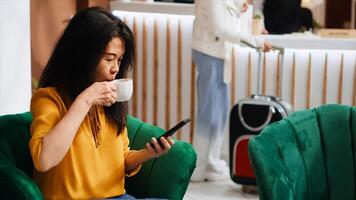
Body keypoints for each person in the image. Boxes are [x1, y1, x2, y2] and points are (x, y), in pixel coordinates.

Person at [29, 7, 174, 200]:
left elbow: (121, 159)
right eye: (109, 59)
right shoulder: (48, 99)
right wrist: (85, 99)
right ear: (82, 57)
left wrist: (148, 154)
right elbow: (44, 160)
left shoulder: (109, 101)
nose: (115, 69)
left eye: (120, 60)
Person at [190, 0, 272, 182]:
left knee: (219, 112)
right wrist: (256, 41)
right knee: (209, 113)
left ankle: (210, 162)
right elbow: (219, 28)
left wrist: (240, 5)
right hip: (210, 53)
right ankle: (199, 166)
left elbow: (228, 22)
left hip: (218, 54)